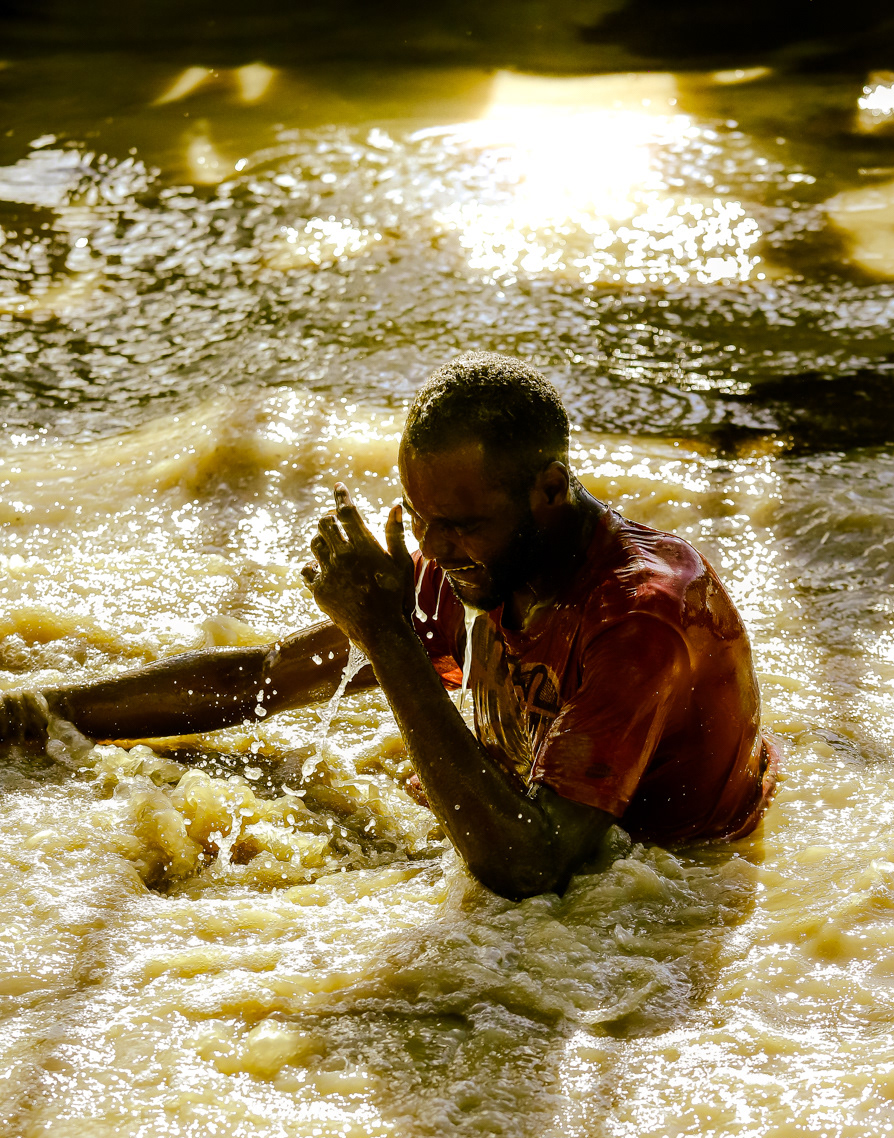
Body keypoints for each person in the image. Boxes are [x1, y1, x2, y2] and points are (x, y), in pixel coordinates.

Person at [0, 354, 776, 898]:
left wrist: (390, 635)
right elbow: (262, 681)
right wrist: (36, 714)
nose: (435, 551)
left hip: (677, 877)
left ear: (548, 489)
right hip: (535, 824)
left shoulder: (641, 617)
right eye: (422, 520)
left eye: (461, 525)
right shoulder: (474, 556)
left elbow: (532, 871)